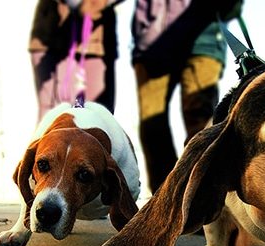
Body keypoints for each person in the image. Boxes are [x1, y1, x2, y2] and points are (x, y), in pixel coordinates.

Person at [132, 0, 243, 193]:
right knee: (153, 121)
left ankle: (197, 200)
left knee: (201, 122)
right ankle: (164, 200)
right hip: (152, 40)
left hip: (203, 39)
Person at [29, 0, 120, 121]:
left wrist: (97, 3)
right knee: (55, 116)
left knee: (99, 115)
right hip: (53, 36)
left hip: (99, 40)